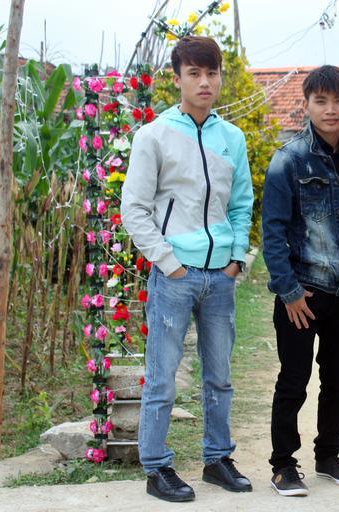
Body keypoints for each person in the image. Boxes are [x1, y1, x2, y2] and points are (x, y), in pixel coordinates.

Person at [121, 36, 254, 502]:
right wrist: (169, 262)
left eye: (211, 73)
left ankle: (217, 459)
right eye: (194, 73)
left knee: (219, 375)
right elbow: (134, 209)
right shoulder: (154, 136)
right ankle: (157, 467)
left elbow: (241, 204)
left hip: (220, 277)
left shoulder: (231, 138)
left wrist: (236, 258)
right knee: (162, 377)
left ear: (219, 78)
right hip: (174, 277)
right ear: (176, 79)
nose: (204, 82)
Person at [261, 65, 339, 497]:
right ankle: (283, 464)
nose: (330, 109)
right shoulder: (288, 159)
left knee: (337, 379)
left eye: (338, 101)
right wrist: (288, 291)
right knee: (293, 379)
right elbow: (272, 232)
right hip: (302, 293)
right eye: (320, 101)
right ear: (305, 105)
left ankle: (328, 455)